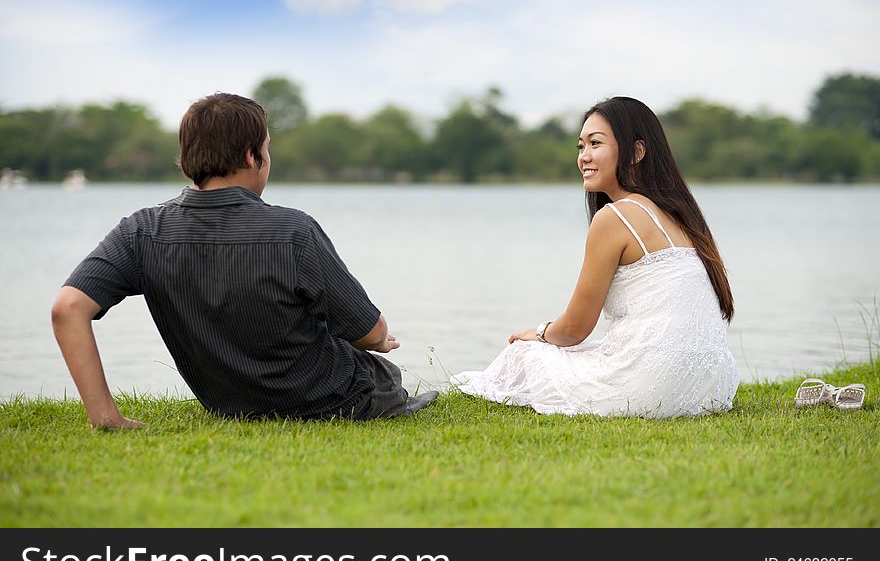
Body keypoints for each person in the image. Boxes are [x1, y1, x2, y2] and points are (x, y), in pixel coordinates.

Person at [51, 92, 437, 429]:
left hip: (228, 404)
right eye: (267, 148)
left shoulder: (140, 231)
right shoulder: (293, 231)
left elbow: (68, 309)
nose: (268, 157)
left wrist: (104, 414)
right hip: (328, 400)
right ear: (252, 156)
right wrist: (382, 337)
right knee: (384, 375)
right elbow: (367, 332)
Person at [451, 97, 739, 418]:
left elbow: (574, 329)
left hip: (651, 387)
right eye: (580, 146)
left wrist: (540, 332)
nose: (584, 157)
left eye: (595, 144)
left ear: (637, 152)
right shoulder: (683, 215)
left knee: (524, 354)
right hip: (713, 387)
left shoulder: (616, 217)